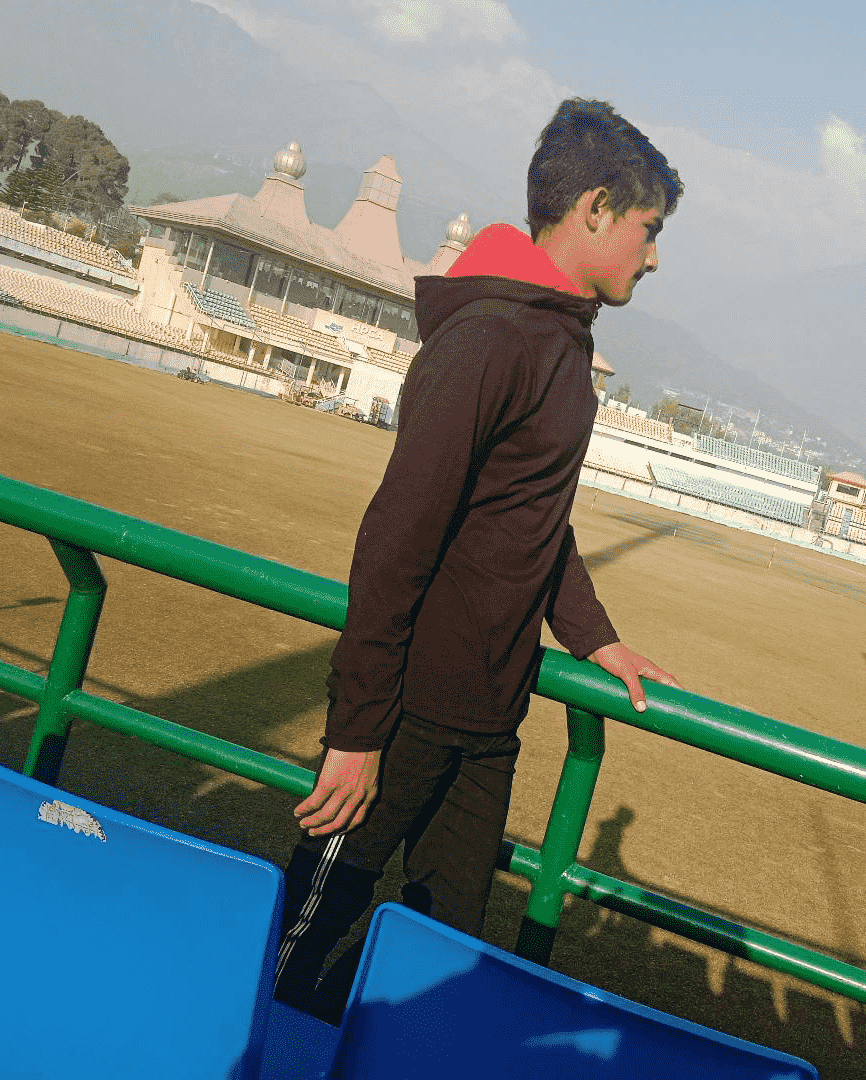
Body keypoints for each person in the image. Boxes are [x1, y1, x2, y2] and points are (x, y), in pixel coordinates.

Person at [273, 98, 684, 1022]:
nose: (654, 257)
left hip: (488, 719)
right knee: (293, 940)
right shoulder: (492, 337)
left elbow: (533, 513)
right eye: (649, 229)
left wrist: (595, 637)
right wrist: (357, 732)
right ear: (596, 208)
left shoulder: (559, 340)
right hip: (403, 714)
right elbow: (396, 539)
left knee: (438, 971)